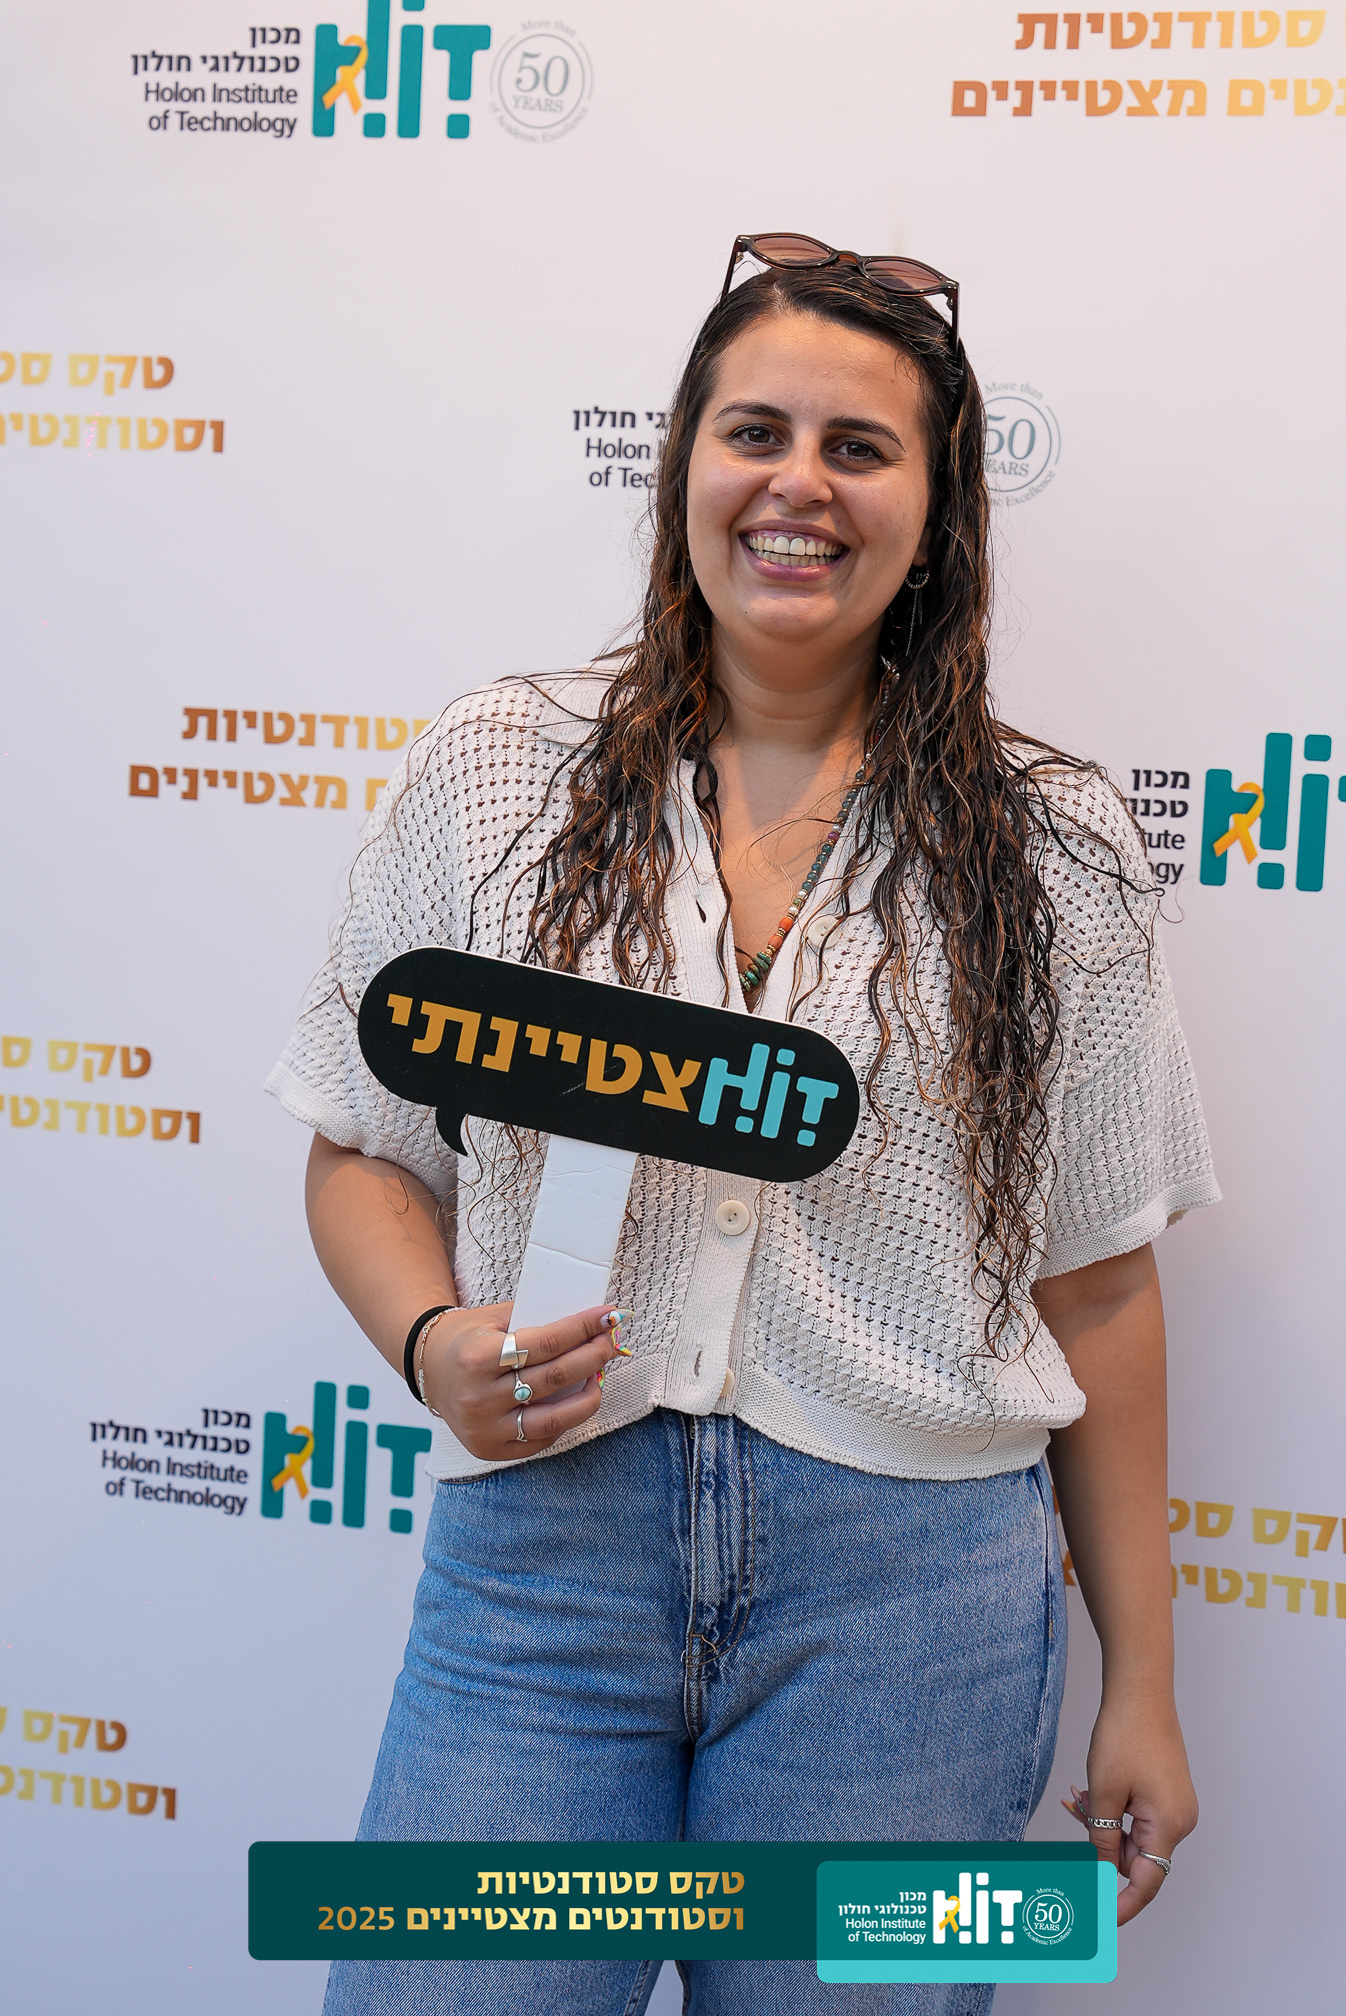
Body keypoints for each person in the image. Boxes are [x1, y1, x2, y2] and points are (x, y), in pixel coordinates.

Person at [268, 233, 1217, 2015]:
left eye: (860, 448)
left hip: (914, 1616)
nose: (799, 484)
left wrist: (1143, 1687)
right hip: (541, 1572)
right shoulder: (495, 766)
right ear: (683, 468)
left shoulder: (1058, 845)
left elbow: (1097, 1287)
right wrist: (430, 1340)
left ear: (935, 513)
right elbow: (359, 1148)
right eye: (754, 432)